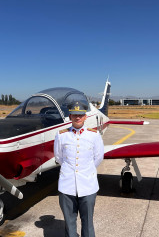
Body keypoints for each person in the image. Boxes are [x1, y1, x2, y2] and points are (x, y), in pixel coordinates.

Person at [54, 101, 104, 237]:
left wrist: (86, 171)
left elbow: (98, 157)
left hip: (88, 185)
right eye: (75, 115)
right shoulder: (61, 135)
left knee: (88, 223)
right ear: (70, 116)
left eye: (80, 115)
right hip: (67, 186)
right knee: (69, 224)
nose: (78, 118)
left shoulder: (94, 135)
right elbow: (59, 157)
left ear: (85, 117)